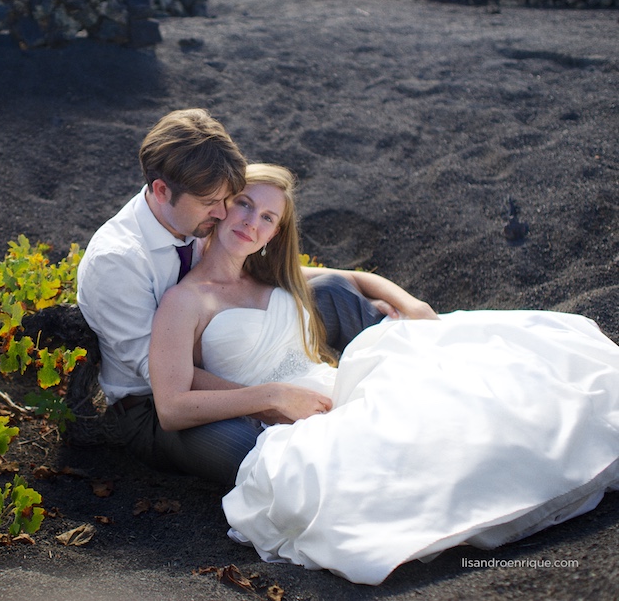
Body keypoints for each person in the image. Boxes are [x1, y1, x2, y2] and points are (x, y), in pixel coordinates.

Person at [149, 162, 619, 585]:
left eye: (268, 218)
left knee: (464, 403)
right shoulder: (185, 300)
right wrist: (271, 397)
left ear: (275, 233)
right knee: (388, 465)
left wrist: (411, 305)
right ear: (222, 206)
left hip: (337, 384)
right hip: (285, 416)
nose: (252, 222)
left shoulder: (274, 276)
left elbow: (355, 279)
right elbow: (171, 407)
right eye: (245, 205)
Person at [77, 108, 436, 486]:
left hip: (229, 352)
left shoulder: (197, 212)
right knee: (254, 452)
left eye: (227, 199)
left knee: (332, 292)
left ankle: (416, 363)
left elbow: (284, 277)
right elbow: (163, 381)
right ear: (162, 191)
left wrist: (402, 301)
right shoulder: (117, 262)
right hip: (153, 405)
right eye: (211, 203)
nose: (223, 213)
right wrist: (270, 399)